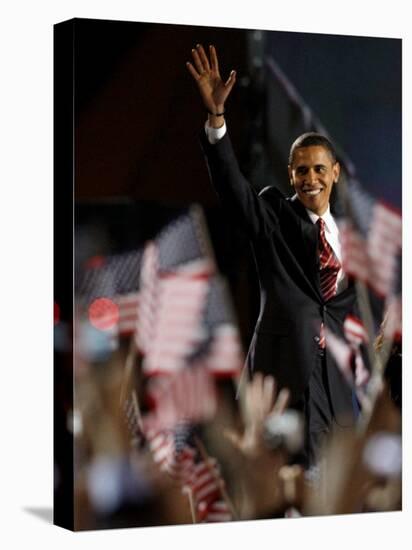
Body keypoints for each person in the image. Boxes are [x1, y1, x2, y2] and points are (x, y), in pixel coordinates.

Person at [186, 43, 363, 467]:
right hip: (282, 380)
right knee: (281, 492)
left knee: (335, 497)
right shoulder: (274, 215)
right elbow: (233, 190)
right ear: (290, 175)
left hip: (337, 394)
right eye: (301, 170)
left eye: (319, 169)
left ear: (335, 173)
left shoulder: (354, 241)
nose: (310, 178)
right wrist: (217, 119)